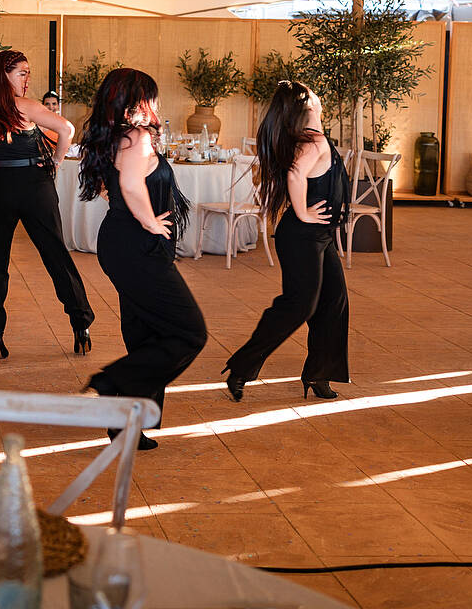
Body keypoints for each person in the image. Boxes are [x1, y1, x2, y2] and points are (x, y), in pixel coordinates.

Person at [78, 68, 205, 451]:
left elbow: (111, 188)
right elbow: (131, 185)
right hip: (137, 247)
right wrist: (148, 219)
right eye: (151, 96)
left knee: (144, 331)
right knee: (188, 331)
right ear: (137, 100)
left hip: (125, 243)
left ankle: (127, 423)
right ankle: (112, 384)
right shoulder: (136, 136)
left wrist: (134, 213)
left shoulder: (116, 136)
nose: (156, 103)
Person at [223, 80, 350, 404]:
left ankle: (319, 373)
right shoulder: (313, 141)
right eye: (312, 93)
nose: (318, 94)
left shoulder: (310, 137)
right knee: (299, 305)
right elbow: (295, 174)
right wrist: (303, 211)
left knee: (333, 302)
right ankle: (242, 366)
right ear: (307, 106)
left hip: (319, 238)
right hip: (303, 237)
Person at [0, 49, 93, 360]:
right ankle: (81, 326)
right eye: (21, 72)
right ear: (3, 74)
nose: (27, 79)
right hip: (35, 186)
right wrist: (56, 161)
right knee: (56, 256)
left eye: (28, 73)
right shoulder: (26, 107)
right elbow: (67, 129)